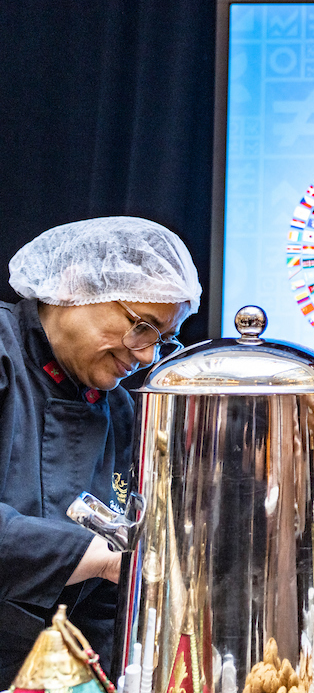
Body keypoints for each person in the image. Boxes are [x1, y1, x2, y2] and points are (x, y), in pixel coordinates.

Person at [0, 217, 201, 683]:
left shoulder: (121, 412)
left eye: (161, 339)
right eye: (142, 326)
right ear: (74, 287)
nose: (147, 355)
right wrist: (105, 556)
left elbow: (107, 608)